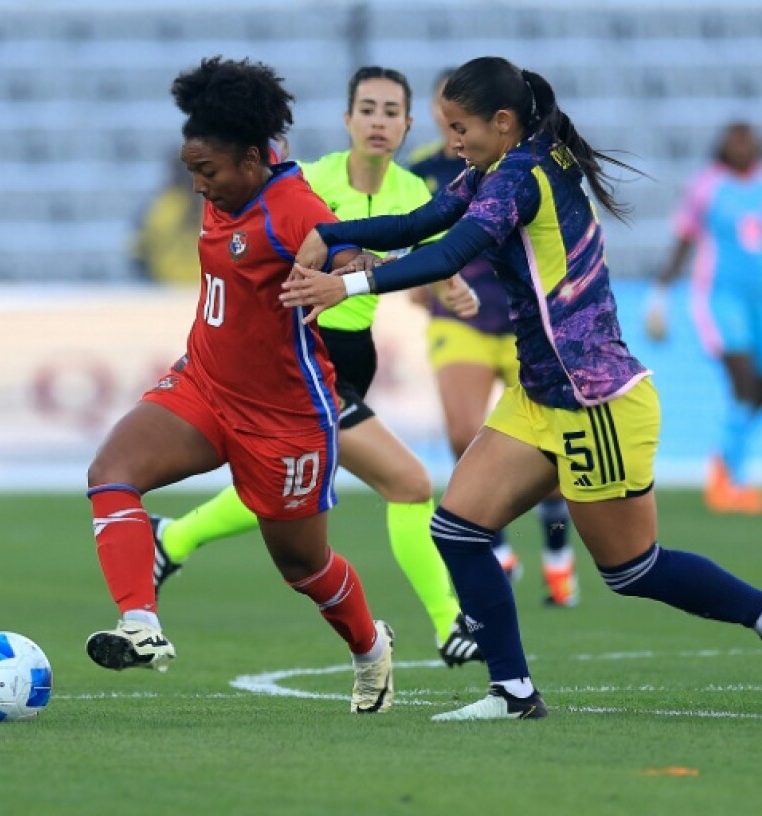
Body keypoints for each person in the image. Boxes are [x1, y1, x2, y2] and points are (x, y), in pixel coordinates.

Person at [282, 56, 762, 721]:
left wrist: (348, 282)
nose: (452, 143)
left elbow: (448, 254)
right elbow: (424, 223)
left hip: (596, 399)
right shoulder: (506, 163)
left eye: (460, 127)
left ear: (502, 123)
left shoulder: (519, 178)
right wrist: (330, 232)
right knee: (458, 529)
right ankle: (512, 692)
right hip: (543, 395)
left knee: (631, 570)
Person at [85, 56, 395, 714]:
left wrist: (349, 268)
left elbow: (342, 249)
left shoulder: (292, 207)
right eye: (191, 171)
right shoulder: (235, 174)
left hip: (284, 421)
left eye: (208, 173)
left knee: (304, 569)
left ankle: (371, 648)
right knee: (111, 471)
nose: (199, 188)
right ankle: (141, 626)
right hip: (204, 384)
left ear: (252, 159)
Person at [149, 65, 486, 669]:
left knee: (278, 491)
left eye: (391, 112)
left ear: (409, 124)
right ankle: (449, 624)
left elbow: (422, 256)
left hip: (355, 360)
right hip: (307, 358)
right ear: (348, 120)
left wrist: (449, 289)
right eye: (368, 109)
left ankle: (171, 540)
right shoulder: (313, 183)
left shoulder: (413, 193)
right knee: (408, 484)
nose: (379, 122)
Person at [408, 66, 578, 606]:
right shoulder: (425, 169)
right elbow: (416, 227)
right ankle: (500, 553)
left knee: (548, 458)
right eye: (443, 107)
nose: (451, 121)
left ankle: (558, 561)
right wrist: (418, 273)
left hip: (522, 322)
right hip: (459, 320)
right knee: (463, 434)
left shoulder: (518, 169)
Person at [645, 121, 762, 515]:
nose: (741, 148)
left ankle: (724, 462)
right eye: (734, 142)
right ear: (723, 146)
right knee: (743, 381)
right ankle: (731, 479)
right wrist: (661, 294)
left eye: (747, 141)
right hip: (720, 299)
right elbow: (684, 240)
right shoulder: (707, 187)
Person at [128, 149, 201, 285]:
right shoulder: (217, 207)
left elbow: (138, 255)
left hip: (167, 293)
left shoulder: (156, 207)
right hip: (200, 293)